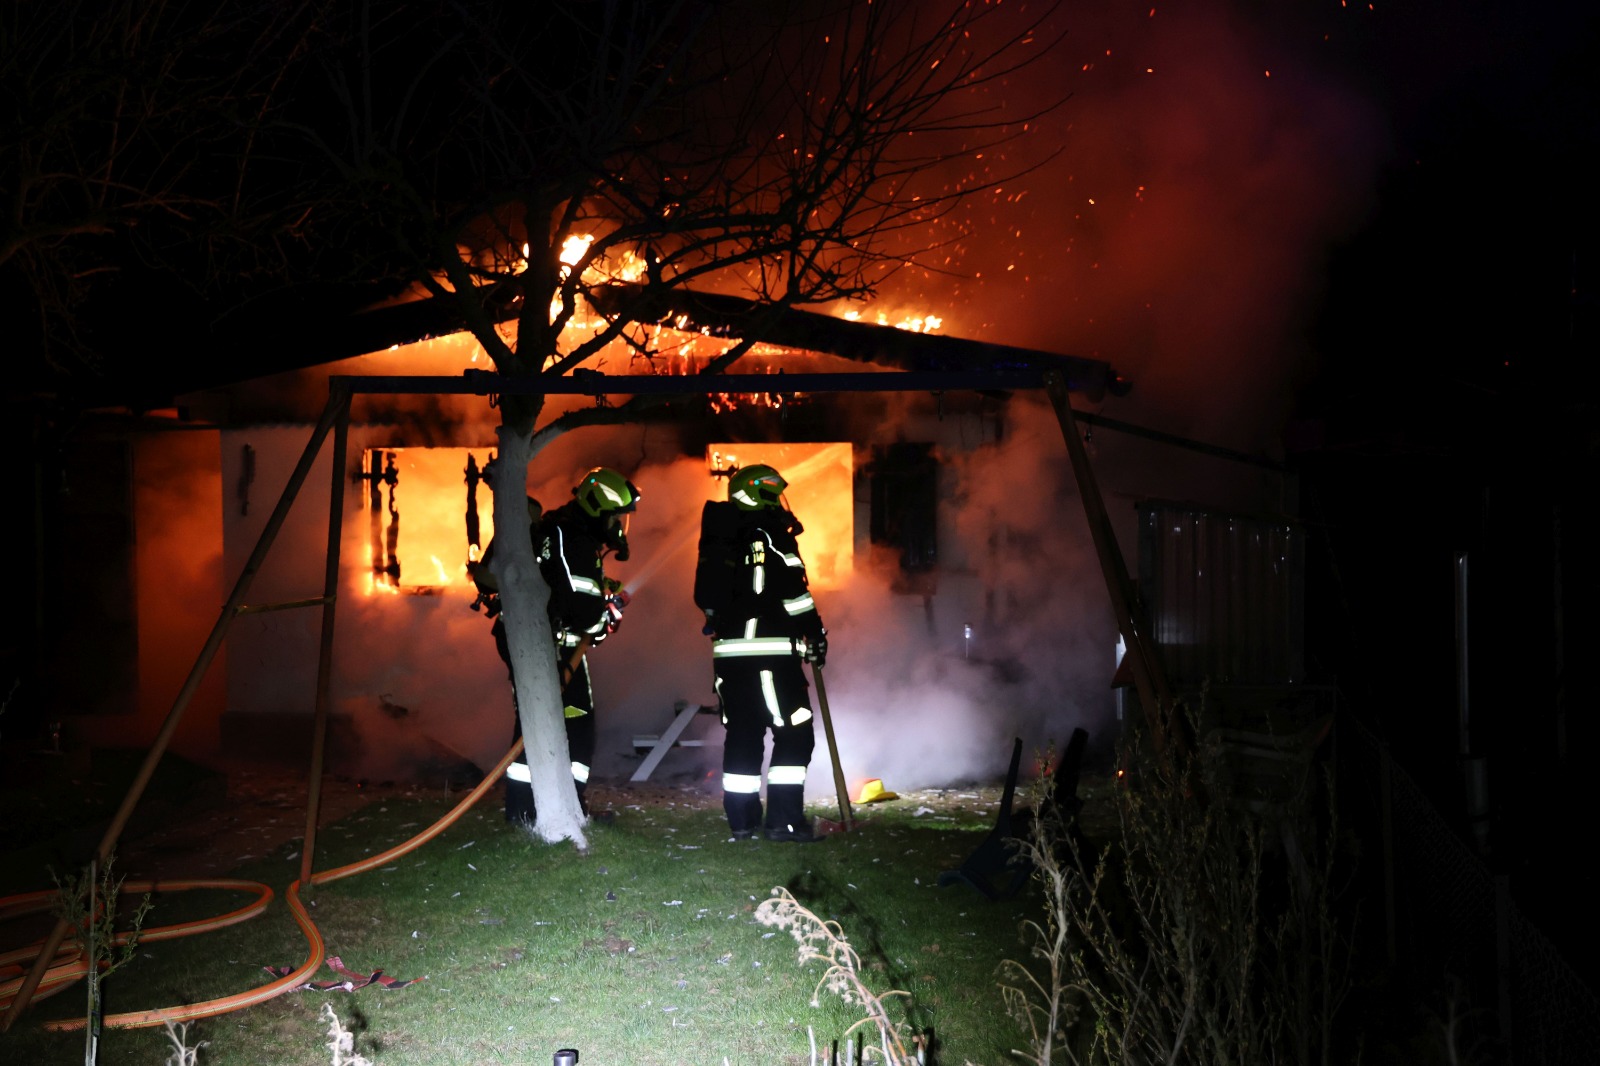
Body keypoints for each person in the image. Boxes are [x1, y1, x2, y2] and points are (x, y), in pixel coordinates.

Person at [470, 468, 638, 823]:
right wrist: (605, 618)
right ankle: (561, 810)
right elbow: (583, 607)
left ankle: (530, 811)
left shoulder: (561, 529)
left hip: (538, 640)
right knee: (573, 724)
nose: (619, 525)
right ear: (597, 508)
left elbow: (565, 588)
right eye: (615, 515)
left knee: (537, 721)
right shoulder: (574, 538)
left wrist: (598, 595)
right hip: (552, 646)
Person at [695, 463, 828, 842]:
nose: (779, 502)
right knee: (795, 734)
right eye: (772, 493)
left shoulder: (723, 537)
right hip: (769, 660)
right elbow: (794, 594)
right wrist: (815, 634)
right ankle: (784, 822)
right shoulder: (769, 533)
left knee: (743, 735)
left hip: (729, 661)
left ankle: (742, 823)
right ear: (759, 494)